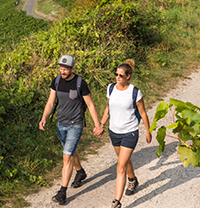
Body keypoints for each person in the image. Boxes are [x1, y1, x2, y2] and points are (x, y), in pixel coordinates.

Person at [39, 55, 103, 206]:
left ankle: (62, 192)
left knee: (66, 156)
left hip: (76, 124)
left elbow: (91, 105)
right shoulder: (56, 81)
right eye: (61, 68)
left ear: (72, 69)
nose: (63, 70)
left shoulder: (80, 83)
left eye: (66, 68)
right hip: (60, 124)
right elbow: (50, 102)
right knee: (70, 151)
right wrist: (44, 117)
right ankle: (80, 172)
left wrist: (97, 124)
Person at [100, 59, 151, 208]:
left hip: (130, 132)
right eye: (116, 74)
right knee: (124, 160)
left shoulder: (135, 92)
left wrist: (148, 131)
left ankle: (116, 202)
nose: (117, 77)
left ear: (128, 76)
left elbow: (142, 112)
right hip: (114, 131)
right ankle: (133, 180)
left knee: (120, 167)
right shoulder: (110, 88)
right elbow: (108, 109)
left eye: (121, 75)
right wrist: (101, 125)